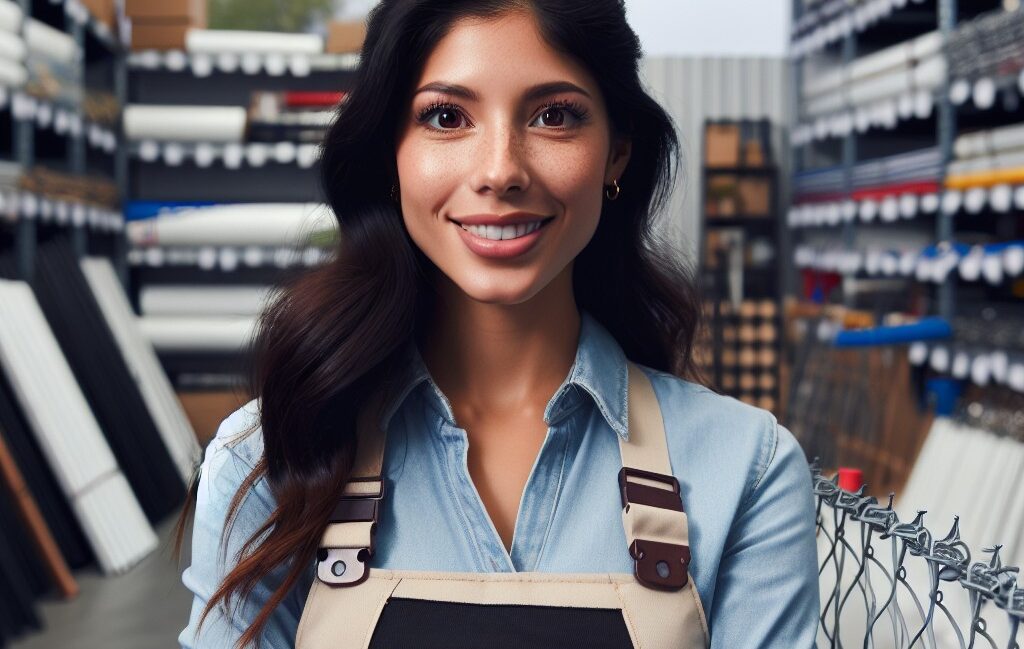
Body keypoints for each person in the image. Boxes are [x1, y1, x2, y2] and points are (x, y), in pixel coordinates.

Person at [177, 1, 819, 647]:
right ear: (389, 154)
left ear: (616, 153)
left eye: (554, 115)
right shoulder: (268, 463)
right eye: (447, 117)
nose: (500, 170)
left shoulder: (745, 472)